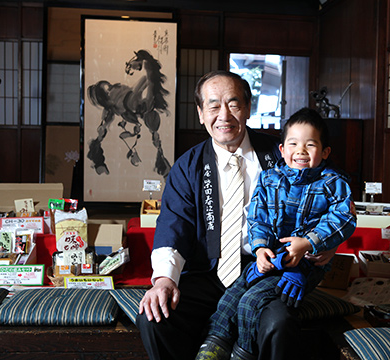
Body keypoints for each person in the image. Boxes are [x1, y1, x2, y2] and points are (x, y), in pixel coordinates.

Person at [136, 71, 337, 360]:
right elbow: (173, 225)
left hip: (270, 270)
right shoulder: (187, 166)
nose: (224, 115)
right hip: (207, 271)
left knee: (278, 323)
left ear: (248, 108)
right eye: (213, 105)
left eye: (233, 104)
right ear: (200, 113)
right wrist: (164, 280)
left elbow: (328, 192)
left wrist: (325, 243)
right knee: (155, 317)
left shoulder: (282, 153)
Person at [196, 107, 357, 360]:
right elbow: (257, 217)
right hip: (269, 257)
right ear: (282, 150)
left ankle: (243, 353)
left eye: (310, 145)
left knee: (251, 301)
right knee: (231, 298)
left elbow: (343, 219)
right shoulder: (269, 178)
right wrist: (259, 248)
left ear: (325, 152)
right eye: (293, 143)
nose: (301, 151)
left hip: (306, 263)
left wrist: (308, 242)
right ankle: (213, 346)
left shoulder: (333, 182)